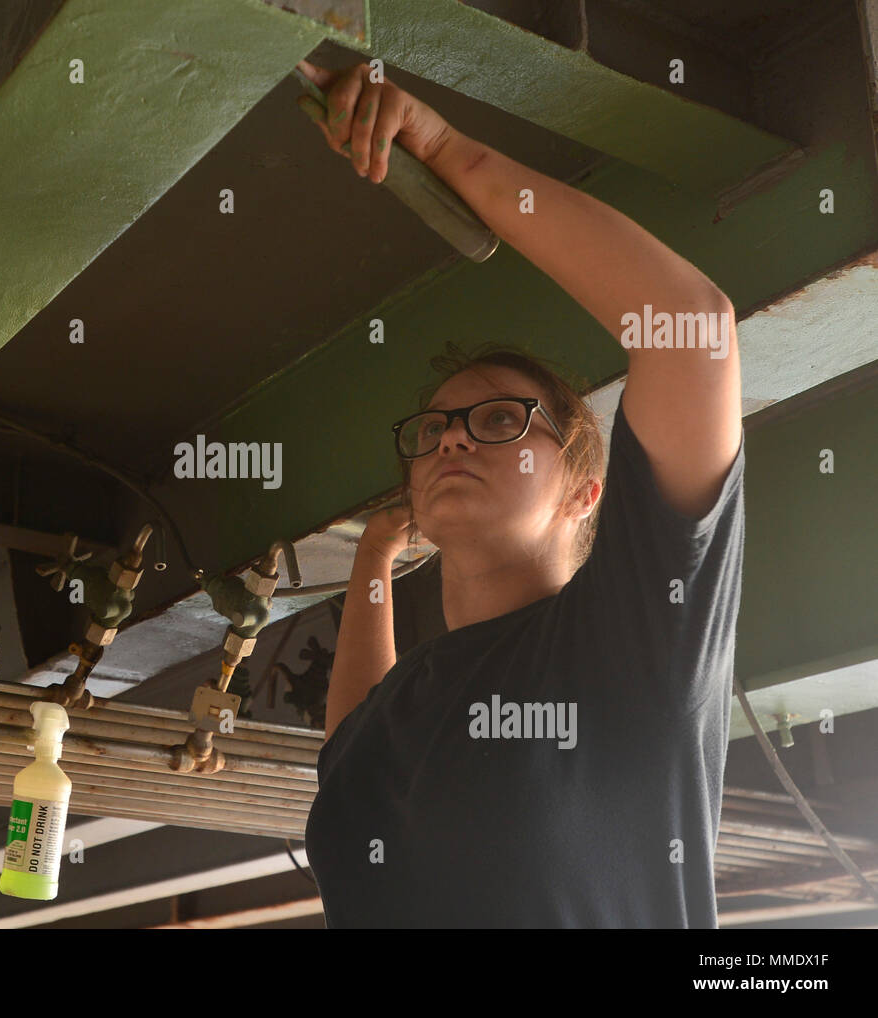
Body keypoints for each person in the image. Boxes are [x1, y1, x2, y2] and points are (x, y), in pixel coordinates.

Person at [298, 58, 746, 927]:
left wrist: (440, 146)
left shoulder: (629, 637)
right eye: (432, 432)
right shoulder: (413, 696)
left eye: (501, 421)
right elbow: (347, 745)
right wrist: (375, 552)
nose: (453, 437)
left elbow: (693, 329)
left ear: (586, 492)